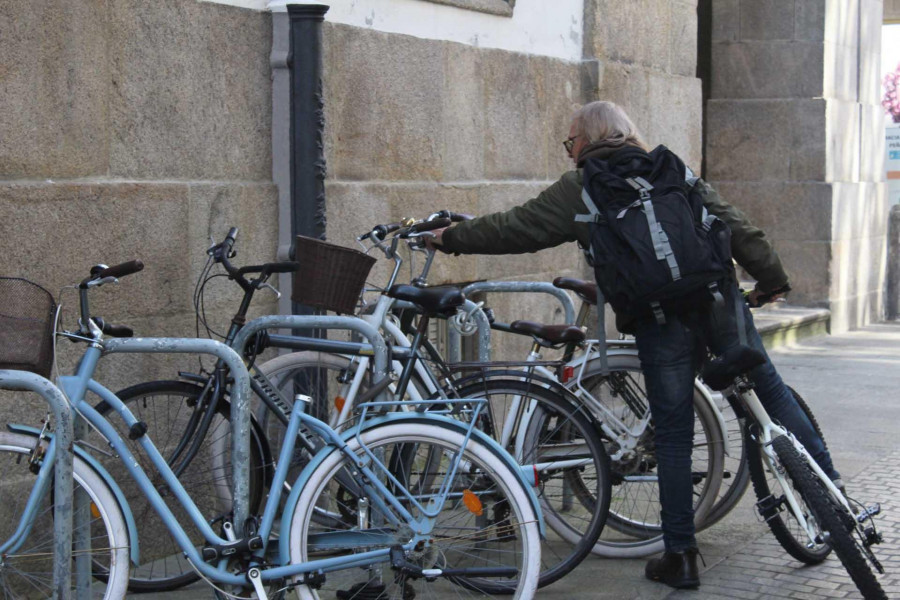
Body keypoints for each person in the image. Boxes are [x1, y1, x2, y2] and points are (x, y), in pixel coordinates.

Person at [429, 100, 842, 590]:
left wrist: (449, 237)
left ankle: (681, 556)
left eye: (570, 142)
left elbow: (516, 228)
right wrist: (772, 279)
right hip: (717, 302)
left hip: (659, 318)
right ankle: (833, 500)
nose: (570, 151)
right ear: (628, 133)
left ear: (585, 140)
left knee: (671, 434)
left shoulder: (581, 188)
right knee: (770, 394)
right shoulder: (671, 168)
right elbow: (736, 225)